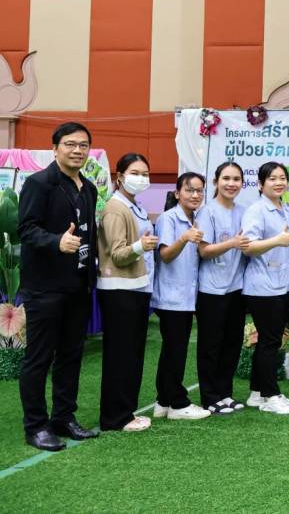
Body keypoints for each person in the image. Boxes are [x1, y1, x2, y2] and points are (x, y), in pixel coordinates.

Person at [18, 122, 100, 451]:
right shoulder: (39, 183)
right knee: (39, 358)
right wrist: (56, 242)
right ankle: (36, 426)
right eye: (70, 144)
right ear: (55, 149)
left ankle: (63, 418)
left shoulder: (88, 188)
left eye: (83, 145)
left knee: (70, 355)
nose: (77, 150)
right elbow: (27, 230)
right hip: (45, 287)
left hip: (78, 285)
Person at [96, 153, 158, 432]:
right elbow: (118, 254)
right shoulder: (115, 208)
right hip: (119, 289)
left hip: (137, 287)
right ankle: (114, 417)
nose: (141, 178)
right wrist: (141, 246)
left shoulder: (135, 205)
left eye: (145, 174)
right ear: (119, 176)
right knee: (120, 355)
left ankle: (126, 412)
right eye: (135, 173)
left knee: (132, 354)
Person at [241, 162, 289, 415]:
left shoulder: (286, 209)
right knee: (269, 341)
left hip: (283, 285)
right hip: (263, 287)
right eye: (272, 178)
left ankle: (257, 392)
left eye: (282, 178)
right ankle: (270, 395)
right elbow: (247, 246)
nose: (279, 182)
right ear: (260, 184)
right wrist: (277, 240)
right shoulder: (256, 210)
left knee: (271, 340)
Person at [152, 173, 210, 420]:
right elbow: (165, 255)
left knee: (173, 349)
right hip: (171, 296)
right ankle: (178, 403)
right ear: (177, 193)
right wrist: (184, 239)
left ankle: (163, 401)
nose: (195, 195)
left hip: (186, 295)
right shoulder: (169, 218)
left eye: (199, 191)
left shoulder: (196, 218)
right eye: (189, 190)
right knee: (175, 350)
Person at [195, 162, 250, 415]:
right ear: (216, 182)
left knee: (232, 343)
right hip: (212, 290)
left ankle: (225, 393)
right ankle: (210, 397)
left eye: (236, 179)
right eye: (226, 178)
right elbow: (204, 250)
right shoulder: (207, 212)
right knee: (211, 345)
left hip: (236, 288)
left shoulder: (244, 212)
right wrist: (233, 243)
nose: (231, 183)